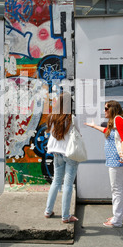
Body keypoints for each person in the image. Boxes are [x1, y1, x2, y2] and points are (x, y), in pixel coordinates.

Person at [85, 100, 123, 228]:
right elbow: (107, 132)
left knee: (116, 189)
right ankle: (119, 216)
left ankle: (117, 220)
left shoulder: (118, 120)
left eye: (105, 109)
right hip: (113, 159)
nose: (104, 111)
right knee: (118, 188)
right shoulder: (115, 121)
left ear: (112, 109)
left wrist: (122, 153)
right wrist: (94, 126)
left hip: (116, 159)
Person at [44, 93, 79, 223]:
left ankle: (48, 211)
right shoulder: (72, 118)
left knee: (56, 181)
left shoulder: (53, 117)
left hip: (56, 153)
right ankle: (65, 216)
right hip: (69, 153)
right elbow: (78, 134)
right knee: (68, 184)